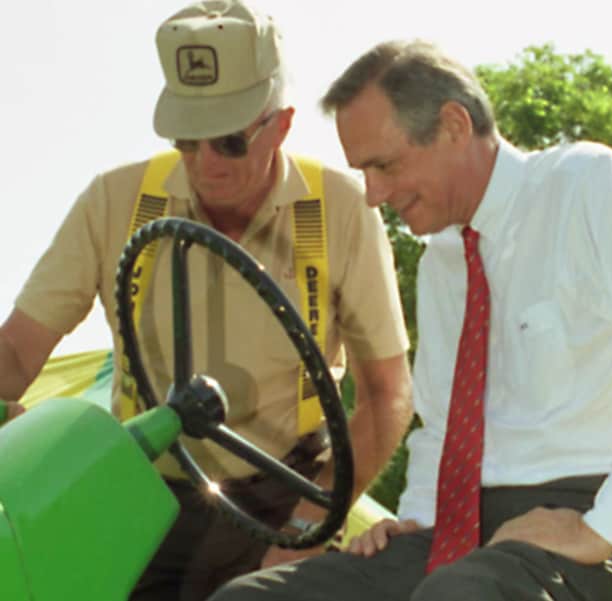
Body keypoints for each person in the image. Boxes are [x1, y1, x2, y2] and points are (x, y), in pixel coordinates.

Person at [0, 5, 413, 600]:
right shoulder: (115, 200)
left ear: (281, 124)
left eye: (228, 141)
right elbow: (16, 353)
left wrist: (302, 530)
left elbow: (387, 396)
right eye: (186, 141)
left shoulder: (341, 211)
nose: (206, 164)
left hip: (285, 493)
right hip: (140, 493)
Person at [208, 39, 612, 601]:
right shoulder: (445, 260)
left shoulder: (589, 186)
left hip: (607, 517)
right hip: (466, 532)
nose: (372, 194)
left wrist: (603, 528)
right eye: (363, 171)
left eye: (384, 165)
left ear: (454, 126)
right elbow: (441, 422)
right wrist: (416, 518)